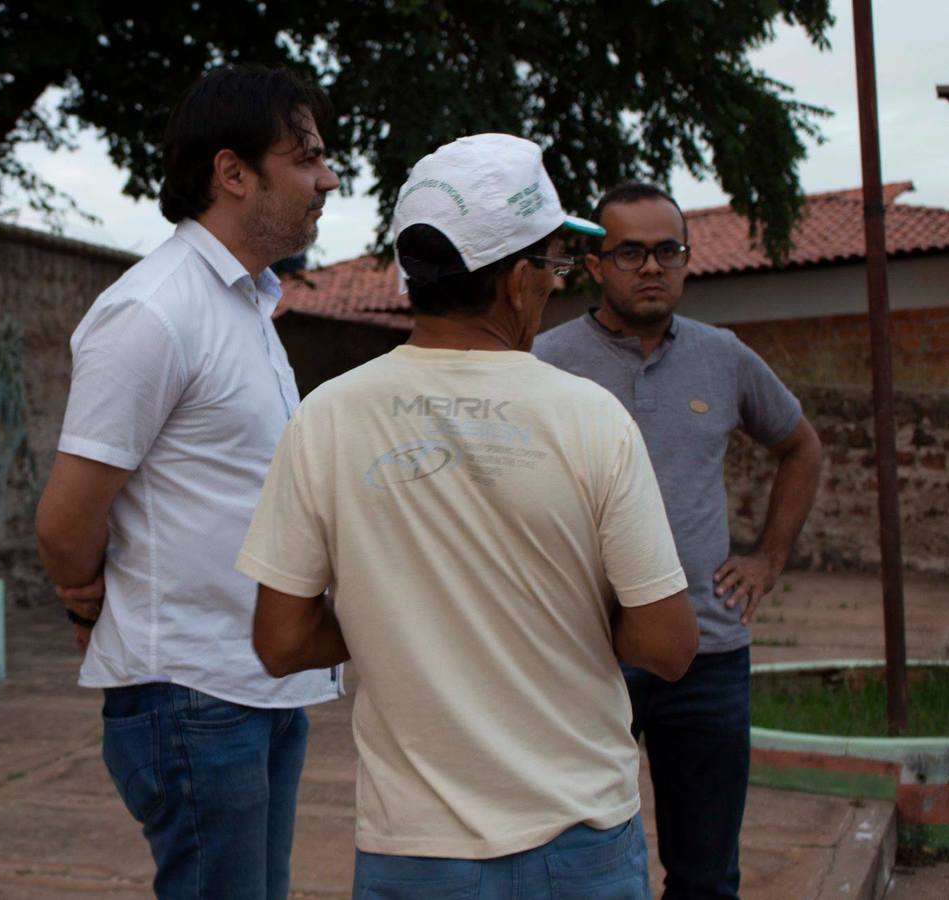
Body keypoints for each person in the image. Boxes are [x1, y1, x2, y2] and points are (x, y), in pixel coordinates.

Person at [238, 134, 700, 899]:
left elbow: (281, 641)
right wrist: (554, 609)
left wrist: (403, 615)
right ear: (520, 281)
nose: (553, 287)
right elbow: (671, 644)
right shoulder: (592, 418)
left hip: (410, 850)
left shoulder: (328, 417)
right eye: (554, 267)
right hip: (575, 840)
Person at [34, 65, 343, 899]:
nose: (329, 177)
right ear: (233, 172)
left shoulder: (246, 308)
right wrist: (85, 600)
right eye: (307, 156)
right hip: (193, 697)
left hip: (256, 686)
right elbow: (66, 520)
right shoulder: (155, 311)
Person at [533, 182, 822, 899]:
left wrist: (767, 559)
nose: (652, 266)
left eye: (668, 250)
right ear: (595, 266)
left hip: (709, 652)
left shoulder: (723, 358)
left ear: (688, 260)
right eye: (629, 251)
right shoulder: (543, 361)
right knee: (570, 860)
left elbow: (801, 446)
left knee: (706, 873)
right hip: (586, 653)